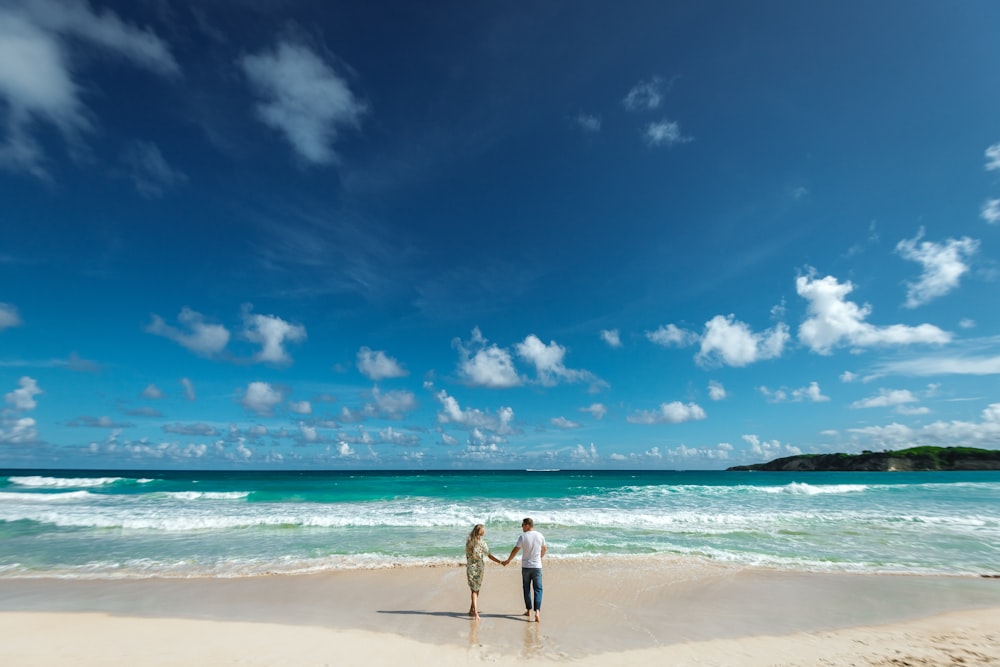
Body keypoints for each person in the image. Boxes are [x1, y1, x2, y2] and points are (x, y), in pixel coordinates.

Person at [503, 517, 546, 622]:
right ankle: (537, 612)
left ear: (527, 525)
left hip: (526, 567)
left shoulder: (523, 537)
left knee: (526, 589)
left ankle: (528, 610)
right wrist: (539, 558)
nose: (522, 527)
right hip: (537, 567)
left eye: (522, 525)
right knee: (538, 589)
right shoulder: (540, 535)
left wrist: (508, 560)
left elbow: (515, 550)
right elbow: (544, 549)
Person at [465, 523, 503, 620]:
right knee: (476, 590)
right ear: (480, 532)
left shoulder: (469, 542)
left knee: (473, 589)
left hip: (470, 567)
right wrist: (499, 561)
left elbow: (467, 556)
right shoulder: (482, 543)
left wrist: (470, 564)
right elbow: (489, 555)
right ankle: (476, 612)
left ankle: (471, 609)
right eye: (483, 530)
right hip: (479, 568)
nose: (484, 531)